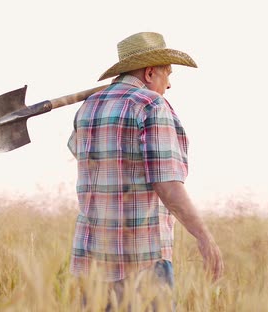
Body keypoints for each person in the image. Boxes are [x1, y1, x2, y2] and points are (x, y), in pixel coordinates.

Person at [67, 32, 224, 309]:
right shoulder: (152, 105)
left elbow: (81, 155)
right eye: (168, 73)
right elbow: (167, 183)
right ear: (150, 73)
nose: (170, 84)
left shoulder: (88, 107)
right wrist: (204, 237)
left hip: (92, 262)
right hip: (142, 259)